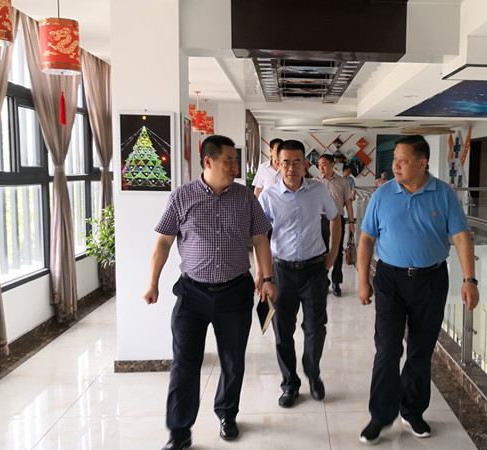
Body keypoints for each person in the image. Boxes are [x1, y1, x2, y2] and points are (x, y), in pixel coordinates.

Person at [144, 135, 277, 450]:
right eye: (229, 160)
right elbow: (163, 242)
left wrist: (267, 277)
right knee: (184, 363)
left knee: (233, 360)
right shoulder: (182, 197)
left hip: (235, 293)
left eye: (236, 161)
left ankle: (227, 414)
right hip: (192, 294)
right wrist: (153, 282)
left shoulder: (245, 198)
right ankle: (179, 431)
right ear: (208, 161)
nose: (234, 167)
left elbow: (260, 238)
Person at [356, 135, 480, 445]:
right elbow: (367, 239)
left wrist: (470, 279)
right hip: (390, 280)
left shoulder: (444, 194)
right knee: (387, 349)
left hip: (431, 280)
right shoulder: (382, 194)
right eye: (394, 159)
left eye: (403, 160)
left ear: (423, 163)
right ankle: (380, 415)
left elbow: (461, 237)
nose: (395, 165)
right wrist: (362, 280)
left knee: (421, 350)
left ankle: (412, 411)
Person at [258, 140, 341, 408]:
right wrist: (262, 274)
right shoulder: (268, 196)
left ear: (305, 163)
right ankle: (290, 384)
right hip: (281, 271)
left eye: (297, 162)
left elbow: (335, 218)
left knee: (315, 327)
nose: (291, 168)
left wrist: (332, 255)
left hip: (314, 270)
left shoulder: (318, 190)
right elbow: (260, 236)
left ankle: (313, 373)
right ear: (278, 164)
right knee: (282, 331)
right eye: (286, 163)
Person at [315, 154, 355, 297]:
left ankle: (336, 282)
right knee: (321, 251)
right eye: (319, 164)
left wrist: (351, 222)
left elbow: (348, 203)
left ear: (333, 165)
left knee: (337, 250)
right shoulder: (315, 182)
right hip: (320, 219)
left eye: (324, 164)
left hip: (338, 219)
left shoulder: (343, 182)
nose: (321, 167)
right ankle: (323, 281)